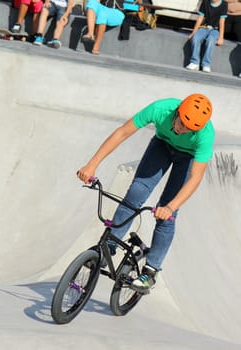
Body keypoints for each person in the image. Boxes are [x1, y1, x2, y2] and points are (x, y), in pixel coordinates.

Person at [77, 93, 214, 294]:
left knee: (167, 216)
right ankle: (110, 245)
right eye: (181, 123)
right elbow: (122, 133)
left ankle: (151, 270)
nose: (182, 130)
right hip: (162, 146)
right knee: (135, 193)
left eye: (189, 129)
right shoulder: (160, 109)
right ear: (177, 112)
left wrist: (170, 208)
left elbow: (195, 178)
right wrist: (92, 165)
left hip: (189, 158)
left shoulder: (205, 135)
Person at [186, 0, 228, 73]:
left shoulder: (224, 4)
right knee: (196, 38)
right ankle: (195, 62)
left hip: (215, 30)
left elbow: (222, 22)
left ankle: (206, 64)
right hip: (204, 27)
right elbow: (200, 18)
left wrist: (221, 38)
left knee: (211, 40)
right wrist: (193, 33)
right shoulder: (205, 2)